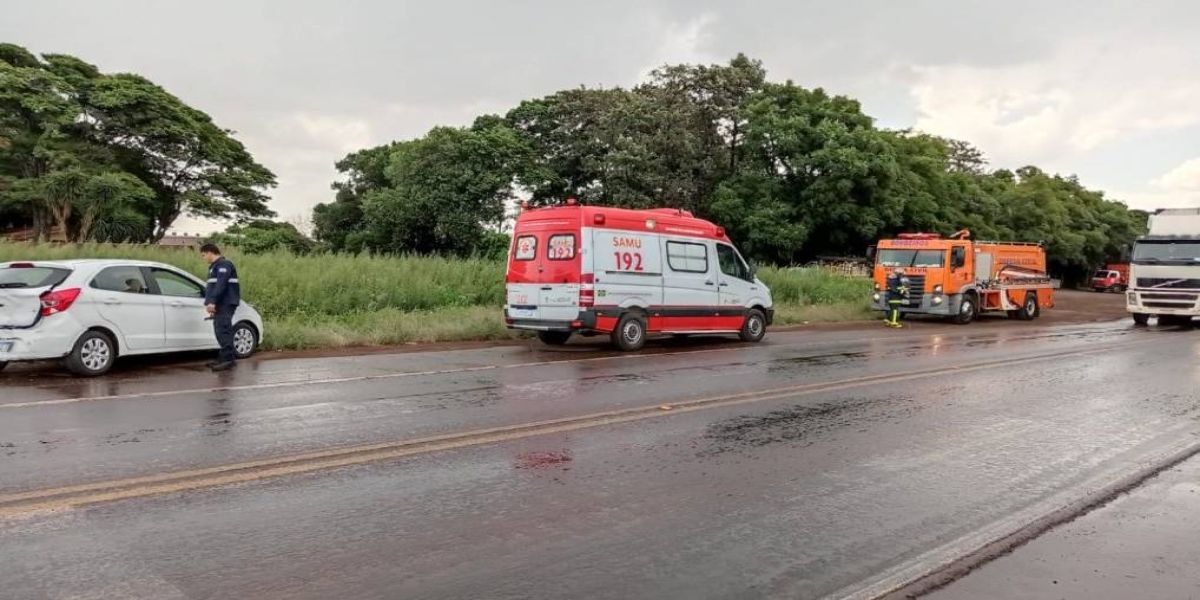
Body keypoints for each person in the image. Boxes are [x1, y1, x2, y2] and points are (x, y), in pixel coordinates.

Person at [200, 243, 241, 371]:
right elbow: (212, 287)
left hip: (225, 303)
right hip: (220, 303)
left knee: (223, 330)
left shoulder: (224, 265)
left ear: (210, 252)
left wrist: (212, 301)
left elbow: (221, 285)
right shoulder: (214, 267)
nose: (203, 258)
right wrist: (210, 303)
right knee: (219, 330)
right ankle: (223, 358)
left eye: (203, 255)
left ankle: (228, 360)